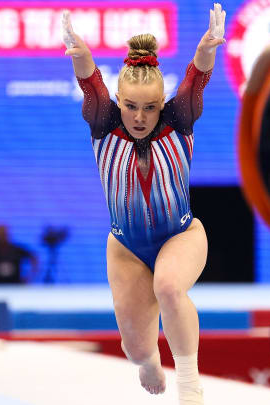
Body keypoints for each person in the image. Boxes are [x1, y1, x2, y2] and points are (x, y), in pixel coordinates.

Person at [62, 4, 226, 404]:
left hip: (181, 235)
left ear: (163, 103)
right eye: (131, 106)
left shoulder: (179, 118)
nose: (139, 117)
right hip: (126, 248)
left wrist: (207, 47)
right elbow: (90, 83)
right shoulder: (104, 121)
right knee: (135, 350)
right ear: (118, 101)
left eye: (150, 107)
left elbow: (196, 78)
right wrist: (80, 52)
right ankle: (150, 361)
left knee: (169, 287)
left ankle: (190, 386)